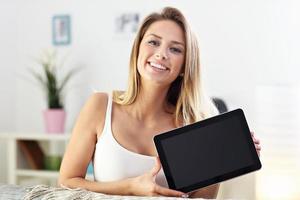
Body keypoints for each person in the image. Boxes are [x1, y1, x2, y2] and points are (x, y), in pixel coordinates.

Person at [59, 7, 261, 198]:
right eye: (153, 42)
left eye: (175, 49)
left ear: (185, 65)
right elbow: (67, 181)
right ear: (138, 48)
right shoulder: (101, 105)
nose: (161, 54)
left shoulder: (192, 124)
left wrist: (221, 163)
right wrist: (131, 188)